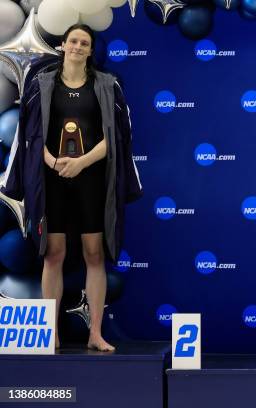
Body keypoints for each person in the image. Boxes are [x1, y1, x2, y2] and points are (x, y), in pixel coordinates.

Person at [1, 24, 142, 351]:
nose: (78, 46)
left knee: (95, 255)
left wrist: (81, 162)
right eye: (73, 41)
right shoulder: (42, 83)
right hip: (52, 183)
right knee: (54, 254)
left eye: (85, 43)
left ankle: (95, 332)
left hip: (92, 182)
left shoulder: (108, 85)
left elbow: (118, 138)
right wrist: (50, 161)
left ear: (91, 50)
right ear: (63, 46)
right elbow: (29, 133)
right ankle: (49, 332)